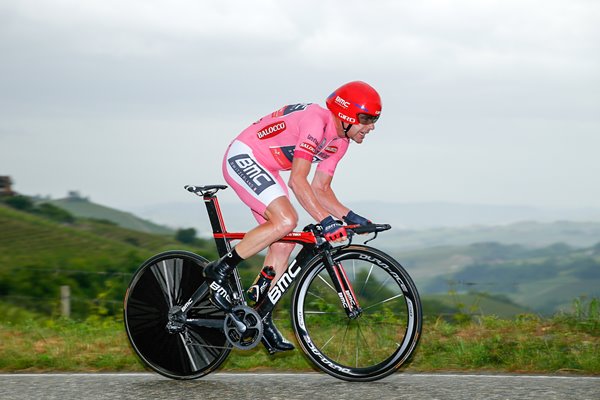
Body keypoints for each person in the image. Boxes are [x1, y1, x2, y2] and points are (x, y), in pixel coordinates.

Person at [203, 81, 382, 352]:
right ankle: (221, 268)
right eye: (366, 119)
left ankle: (260, 316)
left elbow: (321, 190)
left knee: (285, 240)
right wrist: (326, 220)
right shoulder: (315, 120)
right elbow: (299, 181)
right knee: (287, 220)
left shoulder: (340, 142)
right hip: (246, 155)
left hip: (268, 167)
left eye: (375, 120)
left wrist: (351, 217)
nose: (371, 127)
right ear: (345, 115)